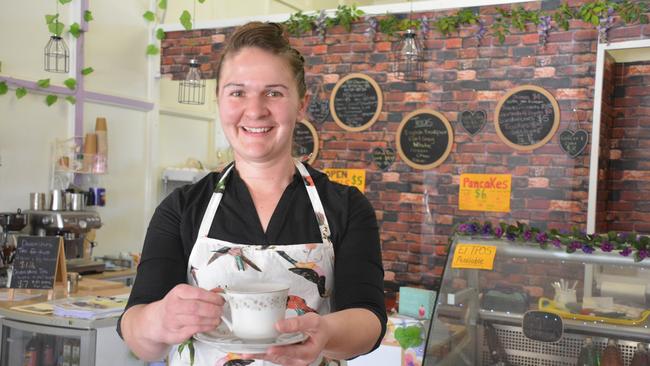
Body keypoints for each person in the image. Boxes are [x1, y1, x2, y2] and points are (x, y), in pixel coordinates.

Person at [118, 21, 387, 366]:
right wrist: (157, 320)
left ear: (301, 104)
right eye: (237, 92)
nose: (256, 109)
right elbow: (138, 335)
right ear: (219, 100)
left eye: (273, 92)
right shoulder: (183, 208)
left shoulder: (346, 206)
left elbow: (368, 319)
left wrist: (326, 334)